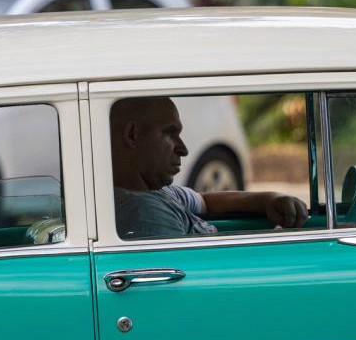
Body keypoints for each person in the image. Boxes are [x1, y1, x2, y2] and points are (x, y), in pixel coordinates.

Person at [110, 96, 305, 239]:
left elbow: (205, 201)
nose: (183, 149)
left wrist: (270, 200)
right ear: (133, 135)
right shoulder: (146, 216)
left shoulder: (160, 194)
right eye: (170, 133)